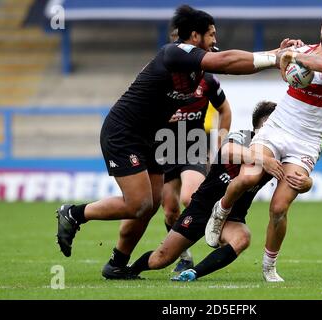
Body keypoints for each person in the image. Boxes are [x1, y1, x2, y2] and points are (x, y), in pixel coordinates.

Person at [55, 4, 299, 264]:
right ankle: (73, 213)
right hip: (124, 133)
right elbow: (227, 62)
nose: (215, 40)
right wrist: (273, 59)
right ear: (194, 36)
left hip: (154, 138)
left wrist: (278, 53)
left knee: (151, 205)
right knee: (138, 204)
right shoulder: (174, 53)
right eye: (211, 34)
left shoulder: (199, 63)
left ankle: (117, 264)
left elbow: (233, 61)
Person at [205, 7, 322, 282]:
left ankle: (269, 266)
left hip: (306, 142)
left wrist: (295, 56)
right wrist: (284, 59)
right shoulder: (305, 50)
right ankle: (221, 210)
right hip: (276, 128)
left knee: (278, 208)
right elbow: (286, 73)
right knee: (249, 177)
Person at [126, 101, 313, 281]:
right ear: (261, 127)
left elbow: (297, 175)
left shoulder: (281, 154)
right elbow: (227, 152)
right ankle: (128, 270)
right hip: (203, 207)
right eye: (274, 126)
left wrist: (307, 183)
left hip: (232, 215)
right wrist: (263, 160)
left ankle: (192, 273)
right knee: (161, 259)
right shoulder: (243, 137)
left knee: (242, 237)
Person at [100, 27, 232, 277]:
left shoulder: (207, 81)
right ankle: (183, 256)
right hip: (162, 144)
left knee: (189, 195)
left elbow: (225, 110)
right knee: (168, 208)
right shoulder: (161, 79)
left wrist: (218, 143)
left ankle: (217, 226)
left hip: (192, 143)